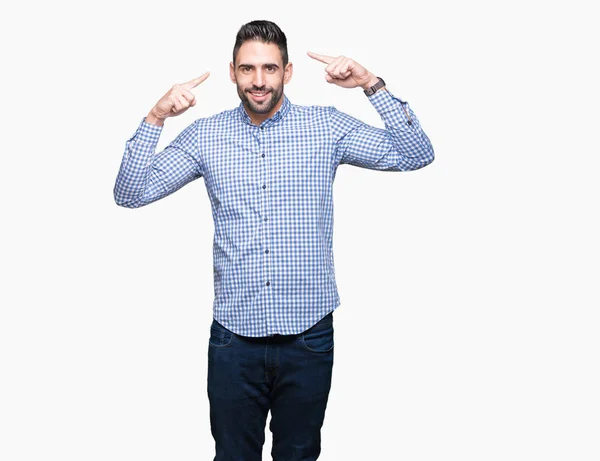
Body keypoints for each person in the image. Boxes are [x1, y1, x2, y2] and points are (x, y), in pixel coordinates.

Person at [114, 19, 434, 461]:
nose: (258, 81)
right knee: (232, 456)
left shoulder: (326, 126)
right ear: (232, 72)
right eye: (248, 69)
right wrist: (156, 117)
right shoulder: (206, 136)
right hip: (234, 339)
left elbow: (417, 155)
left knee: (299, 455)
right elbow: (130, 194)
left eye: (269, 68)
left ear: (287, 72)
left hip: (308, 334)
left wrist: (369, 84)